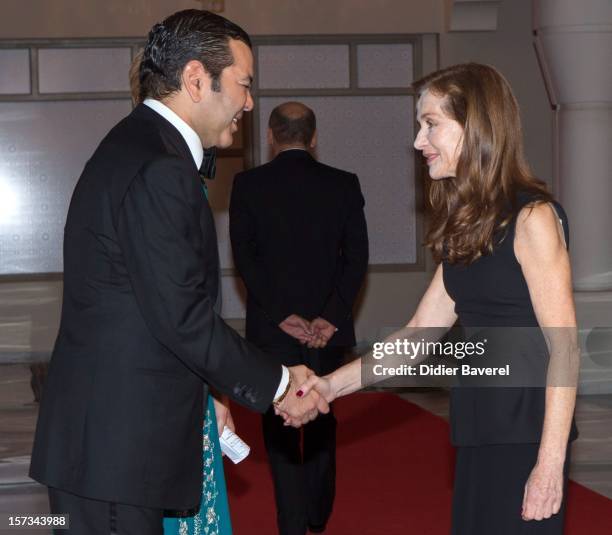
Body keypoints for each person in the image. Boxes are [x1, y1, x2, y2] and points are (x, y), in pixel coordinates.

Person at [29, 10, 327, 535]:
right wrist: (279, 384)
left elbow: (145, 311)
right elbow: (182, 319)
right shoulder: (158, 167)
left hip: (102, 452)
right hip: (115, 459)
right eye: (244, 84)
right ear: (196, 80)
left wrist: (211, 393)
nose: (250, 103)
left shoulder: (137, 145)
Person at [297, 63, 579, 534]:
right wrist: (330, 386)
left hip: (525, 438)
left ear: (477, 128)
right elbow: (418, 337)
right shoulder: (467, 226)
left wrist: (549, 465)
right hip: (477, 433)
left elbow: (566, 348)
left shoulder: (533, 218)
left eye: (431, 124)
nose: (418, 142)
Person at [229, 102, 369, 535]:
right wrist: (330, 316)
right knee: (324, 411)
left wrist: (280, 315)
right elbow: (357, 257)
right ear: (312, 138)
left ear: (271, 136)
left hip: (274, 330)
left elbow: (245, 260)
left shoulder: (247, 184)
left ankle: (291, 523)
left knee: (280, 424)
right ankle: (318, 512)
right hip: (328, 331)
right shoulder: (343, 184)